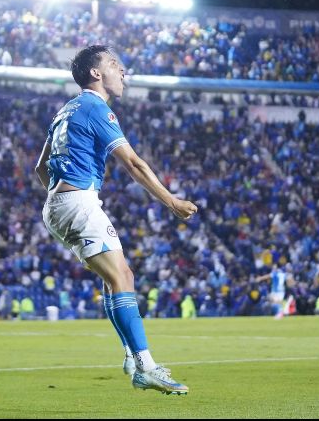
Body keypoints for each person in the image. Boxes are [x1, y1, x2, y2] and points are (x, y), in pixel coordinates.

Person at [35, 44, 198, 395]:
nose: (122, 70)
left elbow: (40, 168)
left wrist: (62, 195)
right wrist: (172, 201)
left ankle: (130, 354)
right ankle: (146, 367)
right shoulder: (96, 107)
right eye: (114, 64)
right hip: (77, 201)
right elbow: (134, 164)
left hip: (58, 203)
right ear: (96, 73)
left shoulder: (66, 110)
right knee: (121, 276)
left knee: (118, 278)